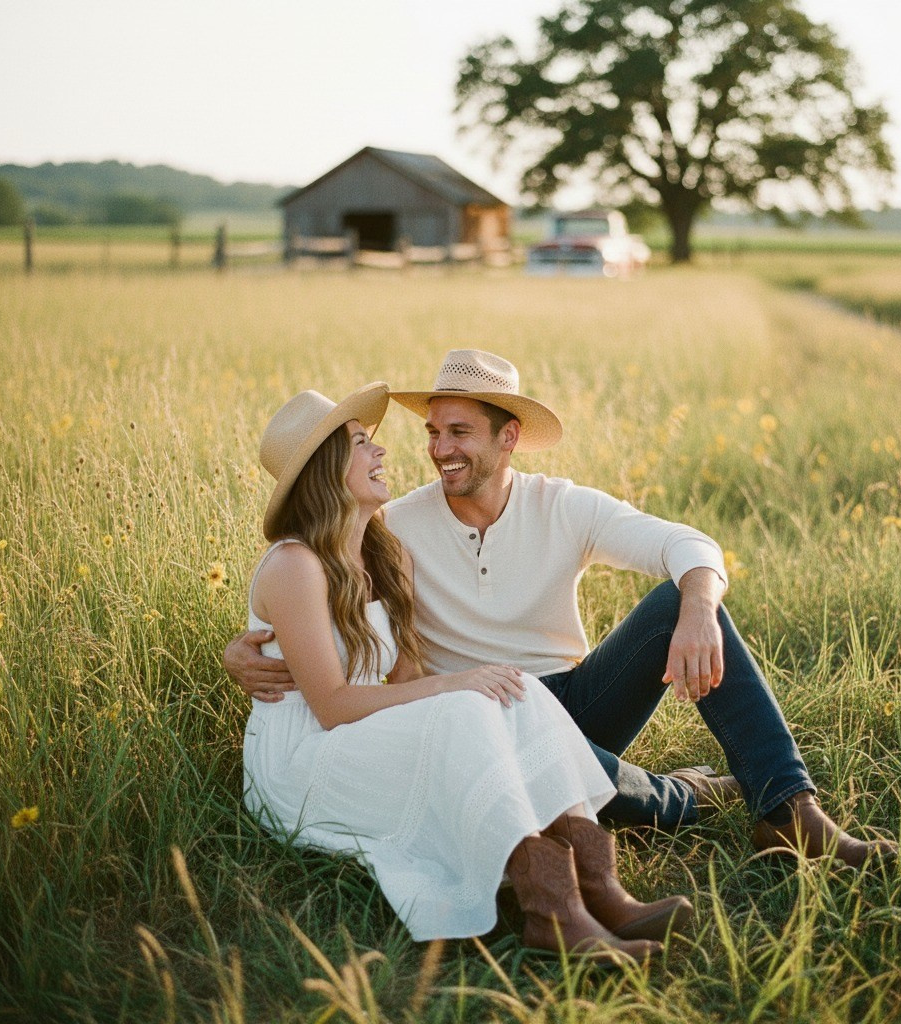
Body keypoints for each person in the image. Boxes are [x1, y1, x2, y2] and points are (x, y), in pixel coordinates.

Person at [229, 351, 898, 869]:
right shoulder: (391, 527)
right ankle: (688, 792)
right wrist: (240, 650)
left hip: (575, 697)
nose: (439, 449)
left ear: (508, 436)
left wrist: (697, 604)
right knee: (619, 802)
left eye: (460, 432)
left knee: (680, 597)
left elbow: (683, 543)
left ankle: (790, 809)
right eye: (433, 432)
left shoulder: (565, 505)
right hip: (479, 719)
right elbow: (316, 601)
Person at [241, 380, 694, 957]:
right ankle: (550, 912)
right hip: (303, 757)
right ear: (327, 469)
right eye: (360, 443)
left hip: (358, 732)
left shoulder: (385, 553)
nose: (381, 451)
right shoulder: (295, 567)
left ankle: (598, 889)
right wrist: (456, 686)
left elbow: (404, 681)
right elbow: (330, 705)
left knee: (516, 690)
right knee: (463, 702)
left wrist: (467, 691)